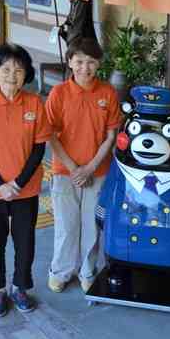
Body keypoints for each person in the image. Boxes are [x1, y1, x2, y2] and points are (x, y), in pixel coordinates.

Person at [0, 44, 52, 317]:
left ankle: (21, 287)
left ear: (26, 74)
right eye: (6, 69)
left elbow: (39, 148)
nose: (11, 75)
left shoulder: (34, 103)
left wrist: (17, 183)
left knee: (25, 240)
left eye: (18, 70)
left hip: (25, 189)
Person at [45, 38, 121, 293]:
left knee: (91, 226)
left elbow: (111, 136)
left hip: (98, 171)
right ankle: (61, 270)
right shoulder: (58, 93)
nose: (85, 68)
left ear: (98, 64)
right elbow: (51, 135)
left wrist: (89, 168)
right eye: (79, 62)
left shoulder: (108, 93)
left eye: (90, 62)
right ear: (70, 62)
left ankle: (88, 271)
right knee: (66, 226)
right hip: (64, 172)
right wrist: (74, 168)